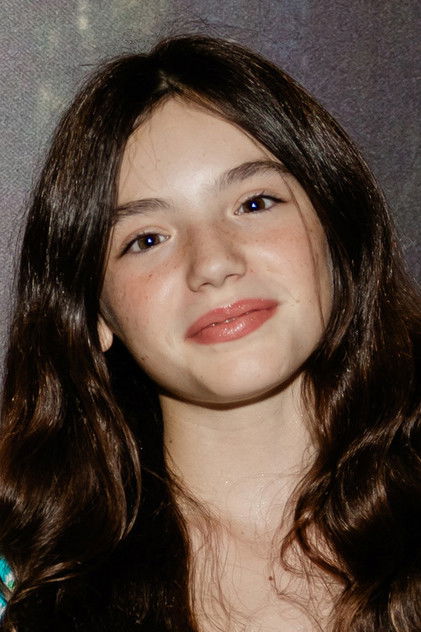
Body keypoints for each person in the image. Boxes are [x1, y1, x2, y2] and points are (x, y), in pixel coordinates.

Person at [0, 34, 419, 632]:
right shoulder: (22, 590)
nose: (214, 263)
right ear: (94, 313)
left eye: (255, 204)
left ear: (337, 232)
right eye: (146, 239)